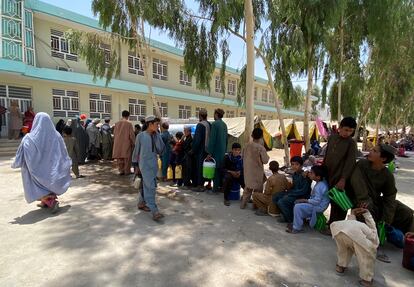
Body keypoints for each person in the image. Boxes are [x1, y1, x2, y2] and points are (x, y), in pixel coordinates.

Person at [11, 112, 72, 213]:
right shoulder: (57, 135)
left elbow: (25, 151)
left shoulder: (30, 138)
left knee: (37, 184)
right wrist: (64, 163)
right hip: (51, 167)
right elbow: (63, 151)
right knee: (49, 181)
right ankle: (45, 201)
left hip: (36, 168)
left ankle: (51, 202)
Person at [350, 144, 414, 235]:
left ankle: (408, 237)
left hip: (376, 201)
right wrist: (364, 198)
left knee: (406, 211)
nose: (370, 152)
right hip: (360, 200)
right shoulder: (362, 165)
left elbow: (390, 197)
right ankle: (372, 235)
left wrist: (386, 220)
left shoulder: (387, 175)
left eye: (375, 151)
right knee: (367, 208)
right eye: (372, 149)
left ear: (383, 158)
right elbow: (356, 182)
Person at [323, 117, 358, 232]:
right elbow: (327, 155)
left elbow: (350, 163)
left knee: (339, 203)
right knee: (332, 200)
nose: (348, 133)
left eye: (350, 131)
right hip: (329, 174)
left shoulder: (351, 143)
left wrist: (343, 179)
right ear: (340, 128)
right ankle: (332, 223)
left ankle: (335, 228)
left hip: (340, 177)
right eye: (346, 130)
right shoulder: (332, 138)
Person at [331, 207, 379, 287]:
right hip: (354, 233)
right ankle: (366, 280)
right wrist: (367, 214)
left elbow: (351, 223)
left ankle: (340, 267)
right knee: (367, 256)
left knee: (344, 250)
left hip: (338, 228)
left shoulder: (354, 223)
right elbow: (374, 238)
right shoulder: (367, 228)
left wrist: (353, 212)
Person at [132, 116, 165, 221]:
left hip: (153, 165)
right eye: (156, 124)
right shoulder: (140, 136)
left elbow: (161, 150)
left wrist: (157, 136)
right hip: (144, 165)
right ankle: (154, 211)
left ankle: (141, 203)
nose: (158, 126)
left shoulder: (157, 135)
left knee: (145, 185)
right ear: (150, 124)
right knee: (150, 187)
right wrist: (136, 166)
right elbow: (136, 152)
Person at [287, 165, 329, 233]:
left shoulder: (320, 186)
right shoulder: (321, 182)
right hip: (318, 204)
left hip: (319, 207)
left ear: (318, 177)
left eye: (311, 173)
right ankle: (298, 223)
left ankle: (296, 228)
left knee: (298, 207)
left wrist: (304, 200)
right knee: (298, 203)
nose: (309, 173)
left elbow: (316, 201)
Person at [272, 156, 311, 223]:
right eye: (292, 164)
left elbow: (303, 191)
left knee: (282, 201)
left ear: (301, 166)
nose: (294, 166)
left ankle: (291, 220)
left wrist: (290, 194)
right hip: (293, 194)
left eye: (297, 164)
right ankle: (286, 214)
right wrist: (288, 190)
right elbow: (294, 187)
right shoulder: (294, 174)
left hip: (302, 196)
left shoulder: (305, 176)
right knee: (276, 196)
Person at [241, 127, 270, 209]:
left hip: (247, 170)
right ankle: (255, 205)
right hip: (257, 172)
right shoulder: (261, 148)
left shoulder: (246, 145)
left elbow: (242, 156)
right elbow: (265, 161)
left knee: (248, 188)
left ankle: (243, 204)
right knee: (258, 189)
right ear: (261, 136)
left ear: (252, 135)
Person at [206, 108, 228, 194]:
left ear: (216, 114)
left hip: (215, 151)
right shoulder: (224, 125)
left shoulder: (215, 124)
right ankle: (220, 187)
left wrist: (209, 152)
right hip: (222, 151)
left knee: (215, 170)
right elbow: (226, 139)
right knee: (220, 169)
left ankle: (214, 189)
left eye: (214, 114)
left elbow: (212, 140)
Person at [191, 109, 210, 192]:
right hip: (208, 150)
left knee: (200, 167)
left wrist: (193, 150)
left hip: (200, 150)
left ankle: (200, 185)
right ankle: (207, 184)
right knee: (206, 167)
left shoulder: (200, 125)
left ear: (200, 116)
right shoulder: (209, 124)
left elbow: (197, 140)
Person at [113, 110, 135, 175]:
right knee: (127, 158)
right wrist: (134, 143)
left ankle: (121, 171)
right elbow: (132, 135)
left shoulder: (117, 123)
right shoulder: (129, 123)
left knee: (120, 158)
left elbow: (114, 133)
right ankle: (127, 171)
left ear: (122, 115)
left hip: (118, 143)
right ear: (128, 116)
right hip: (126, 143)